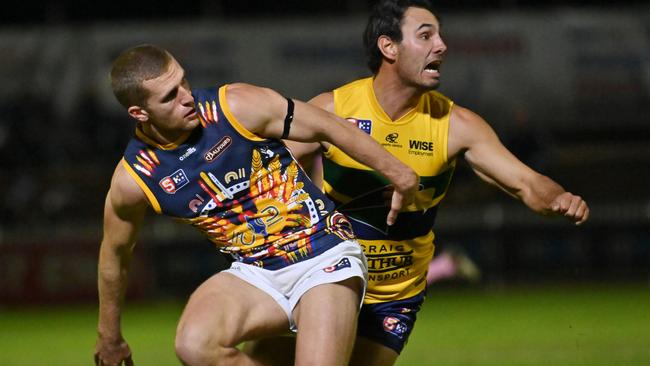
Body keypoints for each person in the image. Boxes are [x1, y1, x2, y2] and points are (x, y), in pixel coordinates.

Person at [246, 1, 590, 365]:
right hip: (323, 281)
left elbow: (527, 182)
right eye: (426, 35)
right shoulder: (332, 109)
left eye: (440, 36)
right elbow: (265, 175)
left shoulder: (456, 125)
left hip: (394, 296)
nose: (441, 45)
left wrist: (559, 197)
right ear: (388, 47)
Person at [93, 44, 420, 366]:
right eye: (169, 96)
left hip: (323, 255)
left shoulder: (235, 106)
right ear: (139, 113)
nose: (186, 97)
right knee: (194, 345)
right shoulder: (134, 179)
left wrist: (399, 172)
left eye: (183, 81)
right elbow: (115, 255)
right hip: (255, 275)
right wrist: (110, 336)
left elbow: (327, 125)